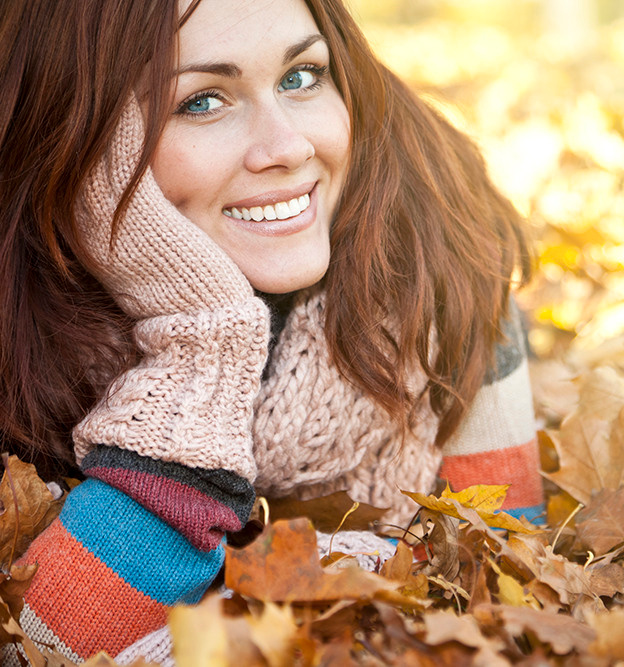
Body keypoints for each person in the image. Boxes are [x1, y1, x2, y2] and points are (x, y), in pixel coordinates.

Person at [0, 0, 543, 662]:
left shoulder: (440, 258)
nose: (289, 145)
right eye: (202, 102)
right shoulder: (20, 330)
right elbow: (42, 648)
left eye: (301, 76)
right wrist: (201, 349)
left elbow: (518, 580)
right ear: (84, 151)